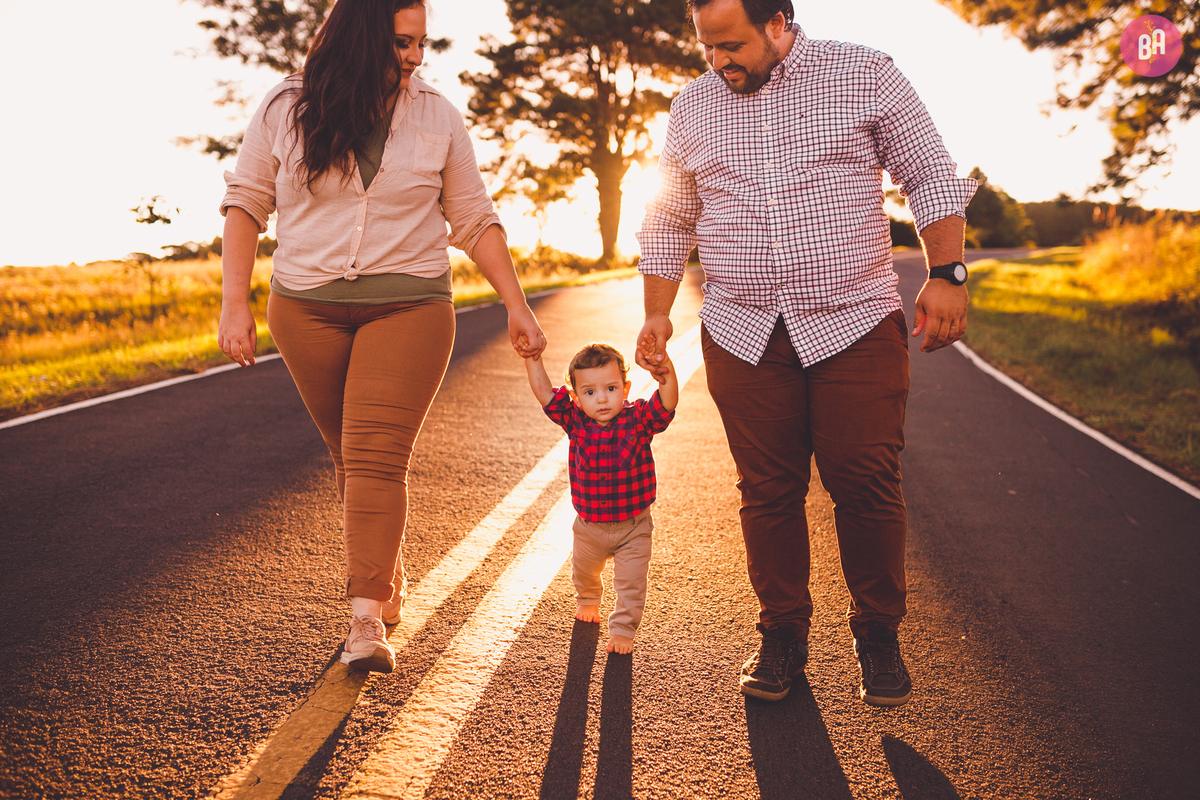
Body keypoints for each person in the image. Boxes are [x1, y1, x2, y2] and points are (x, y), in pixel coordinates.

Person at [635, 0, 977, 706]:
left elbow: (929, 174)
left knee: (865, 479)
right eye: (706, 48)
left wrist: (946, 274)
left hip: (854, 321)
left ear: (778, 23)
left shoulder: (863, 72)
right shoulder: (693, 106)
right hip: (742, 329)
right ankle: (782, 634)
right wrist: (657, 314)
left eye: (731, 45)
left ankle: (877, 633)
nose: (718, 62)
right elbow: (670, 215)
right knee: (766, 490)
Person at [217, 0, 545, 674]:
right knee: (350, 455)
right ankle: (385, 574)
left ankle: (365, 621)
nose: (416, 57)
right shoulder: (285, 106)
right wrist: (234, 305)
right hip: (303, 308)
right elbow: (246, 202)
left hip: (409, 305)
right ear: (362, 36)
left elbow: (473, 216)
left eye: (422, 43)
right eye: (402, 43)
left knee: (374, 455)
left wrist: (516, 304)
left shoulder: (437, 115)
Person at [521, 340, 678, 654]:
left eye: (611, 388)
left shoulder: (638, 419)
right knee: (584, 572)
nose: (602, 398)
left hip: (634, 527)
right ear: (577, 398)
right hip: (589, 527)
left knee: (631, 583)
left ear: (625, 388)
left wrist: (666, 372)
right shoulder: (575, 421)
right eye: (590, 392)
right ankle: (589, 598)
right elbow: (545, 395)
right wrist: (533, 359)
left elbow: (666, 404)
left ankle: (623, 630)